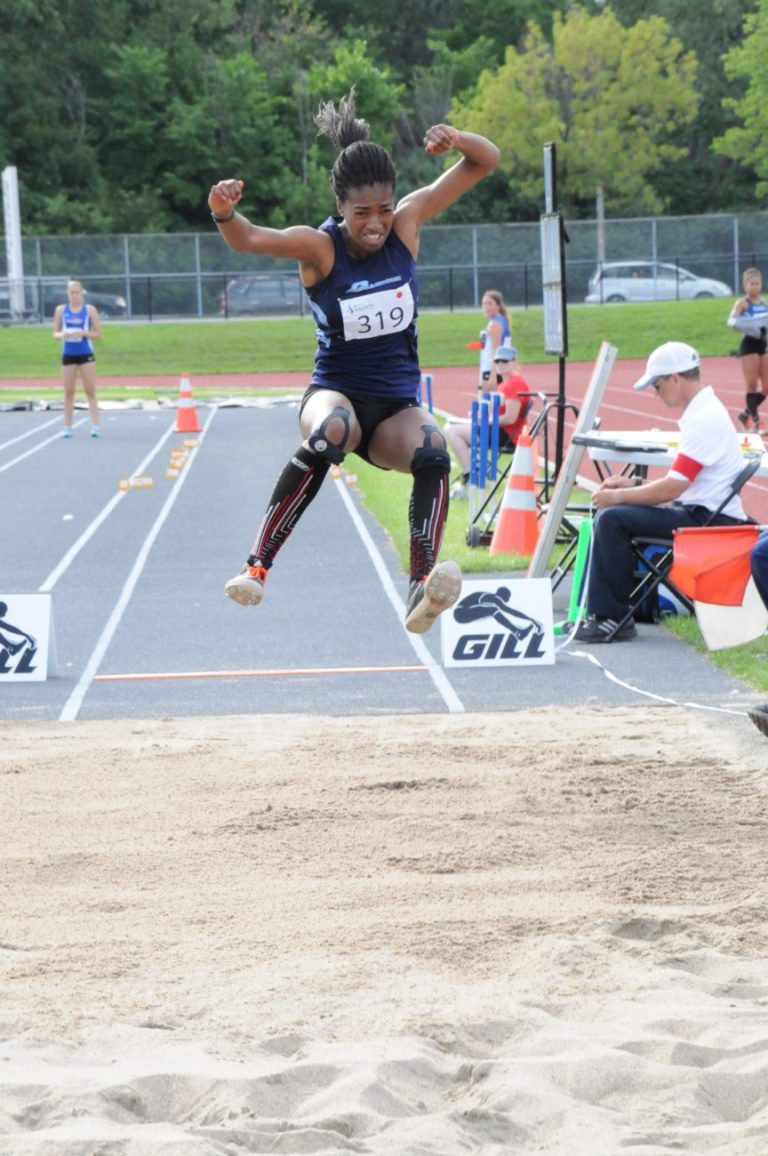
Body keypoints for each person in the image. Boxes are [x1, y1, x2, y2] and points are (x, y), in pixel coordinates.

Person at [208, 90, 499, 633]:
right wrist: (222, 210)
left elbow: (485, 161)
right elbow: (248, 238)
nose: (376, 223)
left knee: (434, 449)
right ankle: (257, 566)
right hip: (334, 395)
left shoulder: (407, 224)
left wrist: (458, 139)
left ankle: (420, 586)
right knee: (335, 430)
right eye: (362, 213)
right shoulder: (319, 249)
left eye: (384, 210)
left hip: (393, 409)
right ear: (340, 207)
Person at [572, 341, 750, 643]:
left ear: (675, 379)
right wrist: (633, 486)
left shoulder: (704, 419)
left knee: (613, 519)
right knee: (615, 515)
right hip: (700, 513)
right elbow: (680, 485)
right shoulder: (704, 412)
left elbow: (672, 487)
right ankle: (609, 613)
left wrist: (618, 496)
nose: (656, 394)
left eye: (657, 385)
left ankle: (611, 618)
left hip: (707, 521)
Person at [445, 344, 532, 499]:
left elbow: (510, 418)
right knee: (450, 426)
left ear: (513, 362)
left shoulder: (515, 383)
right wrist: (481, 417)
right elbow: (497, 412)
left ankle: (471, 475)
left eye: (504, 362)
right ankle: (474, 473)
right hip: (498, 431)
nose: (500, 365)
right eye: (497, 362)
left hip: (508, 436)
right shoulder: (505, 384)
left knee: (453, 432)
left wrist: (485, 421)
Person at [52, 280, 102, 437]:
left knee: (90, 390)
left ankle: (95, 426)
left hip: (85, 353)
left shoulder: (89, 310)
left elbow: (98, 335)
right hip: (68, 353)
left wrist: (84, 333)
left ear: (82, 293)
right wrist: (62, 335)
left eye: (77, 293)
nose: (74, 296)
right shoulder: (61, 310)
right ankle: (67, 427)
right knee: (68, 392)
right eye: (71, 293)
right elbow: (55, 333)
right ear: (68, 294)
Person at [728, 267, 768, 432]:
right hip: (749, 345)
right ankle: (755, 423)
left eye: (758, 283)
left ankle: (745, 414)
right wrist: (749, 326)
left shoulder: (765, 303)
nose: (755, 287)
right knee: (751, 385)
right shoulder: (742, 303)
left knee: (766, 386)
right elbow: (732, 321)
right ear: (745, 285)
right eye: (752, 283)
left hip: (763, 344)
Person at [477, 289, 511, 387]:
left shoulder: (495, 324)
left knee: (487, 400)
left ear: (498, 305)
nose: (486, 307)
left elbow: (496, 351)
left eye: (490, 304)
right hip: (490, 367)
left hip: (492, 369)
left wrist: (493, 375)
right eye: (484, 304)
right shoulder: (496, 321)